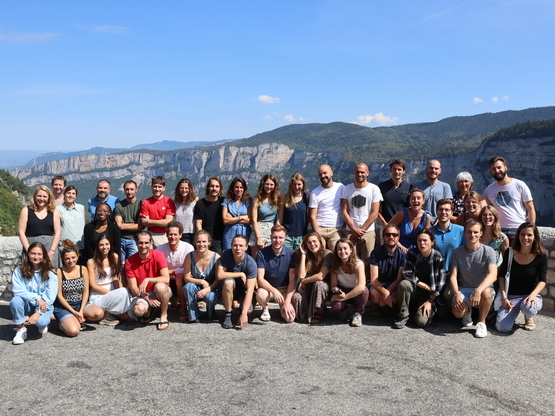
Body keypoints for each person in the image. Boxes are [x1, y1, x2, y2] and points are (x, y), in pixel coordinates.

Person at [450, 219, 497, 338]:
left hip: (482, 289)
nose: (472, 235)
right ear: (464, 233)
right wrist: (456, 295)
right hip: (465, 288)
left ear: (481, 233)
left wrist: (478, 291)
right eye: (469, 232)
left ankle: (481, 322)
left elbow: (493, 275)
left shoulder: (489, 251)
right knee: (457, 312)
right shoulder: (457, 252)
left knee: (486, 293)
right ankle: (467, 311)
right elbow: (453, 276)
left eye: (476, 232)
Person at [496, 222, 547, 332]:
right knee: (502, 328)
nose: (525, 238)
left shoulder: (541, 255)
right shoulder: (510, 252)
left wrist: (533, 295)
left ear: (535, 237)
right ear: (518, 235)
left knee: (528, 308)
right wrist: (504, 298)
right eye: (522, 234)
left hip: (529, 296)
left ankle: (529, 317)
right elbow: (501, 276)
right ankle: (511, 317)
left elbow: (542, 280)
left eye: (529, 235)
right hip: (511, 297)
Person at [393, 229, 446, 329]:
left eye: (425, 240)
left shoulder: (438, 256)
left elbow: (441, 283)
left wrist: (430, 300)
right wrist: (424, 285)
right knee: (404, 284)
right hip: (416, 289)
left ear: (432, 242)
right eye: (419, 240)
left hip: (430, 295)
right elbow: (407, 273)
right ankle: (403, 315)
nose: (422, 243)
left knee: (421, 322)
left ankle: (427, 309)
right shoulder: (412, 253)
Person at [10, 242, 58, 345]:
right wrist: (37, 298)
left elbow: (50, 297)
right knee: (15, 301)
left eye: (39, 254)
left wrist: (38, 313)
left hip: (44, 305)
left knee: (41, 322)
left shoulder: (50, 272)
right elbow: (17, 290)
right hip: (27, 304)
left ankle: (42, 323)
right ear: (28, 254)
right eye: (33, 253)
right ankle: (21, 329)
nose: (36, 257)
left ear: (44, 255)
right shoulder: (20, 269)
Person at [125, 231, 171, 330]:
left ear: (151, 243)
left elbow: (166, 278)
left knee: (160, 286)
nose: (143, 246)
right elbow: (133, 288)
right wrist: (148, 298)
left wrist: (148, 279)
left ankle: (164, 315)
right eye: (141, 243)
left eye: (146, 243)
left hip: (159, 290)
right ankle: (149, 309)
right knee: (139, 311)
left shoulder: (158, 254)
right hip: (142, 293)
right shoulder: (129, 261)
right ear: (136, 243)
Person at [483, 156, 536, 242]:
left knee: (518, 255)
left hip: (519, 228)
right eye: (493, 169)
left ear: (506, 168)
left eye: (499, 167)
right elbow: (486, 211)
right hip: (499, 230)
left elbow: (530, 208)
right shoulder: (488, 190)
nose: (497, 171)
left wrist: (531, 228)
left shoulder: (520, 185)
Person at [85, 234, 133, 325]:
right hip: (98, 296)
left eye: (107, 244)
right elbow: (93, 286)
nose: (104, 247)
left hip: (112, 292)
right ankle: (119, 314)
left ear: (110, 245)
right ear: (97, 246)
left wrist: (119, 292)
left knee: (124, 291)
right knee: (123, 292)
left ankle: (111, 314)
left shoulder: (115, 257)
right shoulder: (91, 262)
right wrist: (114, 294)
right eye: (101, 245)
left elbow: (115, 277)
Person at [341, 163, 382, 262]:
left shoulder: (374, 189)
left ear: (368, 173)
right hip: (350, 231)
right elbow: (344, 211)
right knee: (349, 260)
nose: (360, 174)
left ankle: (367, 278)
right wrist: (354, 229)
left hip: (368, 231)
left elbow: (375, 212)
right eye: (357, 172)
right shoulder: (347, 189)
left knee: (368, 260)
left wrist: (361, 230)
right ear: (354, 172)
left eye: (362, 172)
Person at [255, 225, 296, 323]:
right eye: (275, 237)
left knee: (290, 319)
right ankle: (265, 308)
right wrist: (274, 291)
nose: (277, 240)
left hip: (285, 289)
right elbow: (260, 279)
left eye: (280, 237)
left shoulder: (291, 254)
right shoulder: (262, 253)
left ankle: (283, 307)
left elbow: (292, 281)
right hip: (268, 289)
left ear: (285, 238)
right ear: (270, 237)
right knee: (260, 294)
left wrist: (287, 302)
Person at [156, 221, 194, 321]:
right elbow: (157, 269)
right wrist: (167, 273)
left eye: (175, 234)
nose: (172, 237)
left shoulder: (188, 248)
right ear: (166, 235)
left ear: (180, 235)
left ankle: (183, 308)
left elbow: (188, 269)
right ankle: (161, 309)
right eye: (170, 234)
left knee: (179, 278)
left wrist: (169, 271)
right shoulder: (160, 249)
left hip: (182, 280)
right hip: (166, 280)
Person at [217, 234, 257, 329]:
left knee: (248, 310)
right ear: (231, 246)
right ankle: (228, 314)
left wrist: (244, 314)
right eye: (235, 245)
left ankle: (241, 310)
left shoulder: (251, 263)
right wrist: (240, 274)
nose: (237, 248)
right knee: (228, 282)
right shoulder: (226, 254)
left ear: (246, 247)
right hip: (229, 289)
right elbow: (219, 275)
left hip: (243, 290)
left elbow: (250, 289)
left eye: (241, 245)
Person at [291, 232, 332, 324]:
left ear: (320, 242)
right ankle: (307, 315)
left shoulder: (327, 254)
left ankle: (319, 312)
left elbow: (321, 276)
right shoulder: (306, 255)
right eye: (309, 242)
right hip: (309, 285)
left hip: (324, 287)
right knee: (297, 296)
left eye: (314, 241)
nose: (312, 244)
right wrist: (303, 254)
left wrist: (304, 281)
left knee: (319, 284)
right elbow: (301, 275)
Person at [18, 185, 61, 268]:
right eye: (39, 196)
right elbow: (21, 233)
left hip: (50, 248)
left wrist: (52, 252)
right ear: (35, 196)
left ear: (49, 198)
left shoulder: (54, 212)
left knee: (51, 275)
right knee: (29, 274)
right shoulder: (26, 211)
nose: (42, 199)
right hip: (31, 247)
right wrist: (29, 251)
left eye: (45, 196)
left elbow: (57, 233)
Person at [53, 240, 90, 337]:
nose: (71, 261)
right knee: (73, 331)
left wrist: (81, 310)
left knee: (98, 313)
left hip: (79, 303)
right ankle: (65, 322)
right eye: (67, 259)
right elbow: (59, 296)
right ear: (63, 259)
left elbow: (86, 291)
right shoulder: (59, 272)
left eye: (73, 257)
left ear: (78, 256)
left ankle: (75, 319)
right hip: (64, 306)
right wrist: (74, 312)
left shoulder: (83, 269)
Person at [329, 238, 369, 327]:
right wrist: (337, 291)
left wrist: (344, 298)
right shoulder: (334, 265)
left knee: (364, 291)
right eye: (339, 249)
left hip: (356, 291)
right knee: (336, 305)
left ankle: (358, 313)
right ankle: (343, 309)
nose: (342, 251)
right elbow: (333, 285)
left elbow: (361, 286)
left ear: (351, 250)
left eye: (345, 248)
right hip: (343, 289)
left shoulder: (359, 264)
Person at [183, 230, 221, 322]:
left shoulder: (216, 257)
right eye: (198, 241)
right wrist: (201, 281)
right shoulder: (190, 256)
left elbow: (218, 279)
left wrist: (208, 289)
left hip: (212, 288)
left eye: (204, 241)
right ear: (195, 242)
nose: (201, 244)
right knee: (188, 287)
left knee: (210, 297)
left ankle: (210, 312)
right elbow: (186, 277)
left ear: (209, 242)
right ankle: (194, 315)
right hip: (196, 286)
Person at [369, 224, 406, 316]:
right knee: (376, 296)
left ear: (398, 238)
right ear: (383, 237)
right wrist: (384, 292)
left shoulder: (403, 255)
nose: (391, 237)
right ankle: (377, 305)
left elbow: (399, 279)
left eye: (394, 235)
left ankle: (391, 305)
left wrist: (388, 292)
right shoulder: (375, 253)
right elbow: (374, 280)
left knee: (396, 297)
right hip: (379, 284)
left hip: (393, 285)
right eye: (388, 235)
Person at [308, 164, 344, 251]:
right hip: (320, 228)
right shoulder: (315, 193)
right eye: (320, 174)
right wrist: (318, 234)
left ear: (331, 173)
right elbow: (312, 216)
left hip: (335, 229)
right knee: (319, 254)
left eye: (325, 173)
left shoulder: (341, 187)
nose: (323, 176)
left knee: (338, 252)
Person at [249, 174, 280, 259]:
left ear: (275, 186)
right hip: (258, 231)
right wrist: (259, 238)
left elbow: (279, 218)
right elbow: (254, 220)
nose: (269, 186)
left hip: (272, 232)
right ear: (263, 184)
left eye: (271, 184)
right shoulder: (257, 199)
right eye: (267, 184)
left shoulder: (278, 199)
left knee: (270, 262)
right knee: (256, 262)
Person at [139, 176, 176, 248]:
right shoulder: (145, 202)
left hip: (164, 235)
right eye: (155, 186)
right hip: (150, 234)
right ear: (151, 187)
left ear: (164, 188)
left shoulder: (169, 201)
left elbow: (168, 222)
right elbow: (144, 223)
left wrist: (150, 221)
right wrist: (162, 222)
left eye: (160, 187)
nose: (157, 189)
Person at [430, 199, 465, 271]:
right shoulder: (430, 232)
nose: (443, 212)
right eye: (441, 209)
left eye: (447, 210)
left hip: (456, 274)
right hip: (435, 274)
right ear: (436, 212)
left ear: (452, 212)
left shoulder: (461, 230)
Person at [194, 177, 225, 253]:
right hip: (206, 240)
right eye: (212, 186)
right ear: (208, 188)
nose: (214, 188)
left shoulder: (224, 202)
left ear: (220, 189)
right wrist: (202, 240)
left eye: (217, 186)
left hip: (222, 239)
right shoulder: (200, 204)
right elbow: (198, 224)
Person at [114, 180, 143, 262]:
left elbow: (140, 226)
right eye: (127, 189)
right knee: (120, 265)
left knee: (133, 264)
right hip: (120, 239)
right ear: (124, 190)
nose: (129, 192)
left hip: (135, 239)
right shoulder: (119, 205)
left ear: (136, 190)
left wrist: (123, 225)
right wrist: (134, 225)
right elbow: (119, 225)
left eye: (131, 189)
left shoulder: (141, 205)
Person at [378, 159, 413, 225]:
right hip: (386, 225)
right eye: (394, 169)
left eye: (399, 169)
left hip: (404, 225)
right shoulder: (382, 186)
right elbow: (377, 208)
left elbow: (412, 208)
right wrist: (384, 223)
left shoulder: (409, 187)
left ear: (404, 171)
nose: (397, 172)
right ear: (391, 170)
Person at [279, 173, 309, 250]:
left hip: (302, 235)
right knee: (286, 259)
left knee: (300, 259)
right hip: (287, 236)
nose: (296, 187)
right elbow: (280, 218)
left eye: (299, 184)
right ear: (291, 185)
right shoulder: (284, 198)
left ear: (303, 185)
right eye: (294, 184)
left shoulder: (307, 198)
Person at [221, 177, 252, 250]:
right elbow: (225, 220)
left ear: (244, 188)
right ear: (233, 188)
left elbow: (250, 220)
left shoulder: (249, 201)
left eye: (241, 187)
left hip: (245, 232)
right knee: (228, 253)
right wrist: (241, 217)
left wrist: (231, 218)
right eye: (236, 187)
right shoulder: (227, 201)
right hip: (229, 233)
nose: (239, 189)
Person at [56, 185, 86, 252]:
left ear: (76, 196)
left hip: (80, 244)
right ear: (64, 194)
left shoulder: (81, 208)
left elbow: (83, 224)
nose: (71, 195)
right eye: (68, 193)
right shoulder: (58, 209)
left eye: (73, 194)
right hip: (65, 245)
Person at [174, 178, 199, 244]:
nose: (184, 190)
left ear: (190, 189)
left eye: (186, 188)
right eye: (182, 188)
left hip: (191, 234)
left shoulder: (195, 202)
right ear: (178, 189)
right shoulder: (175, 203)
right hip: (177, 234)